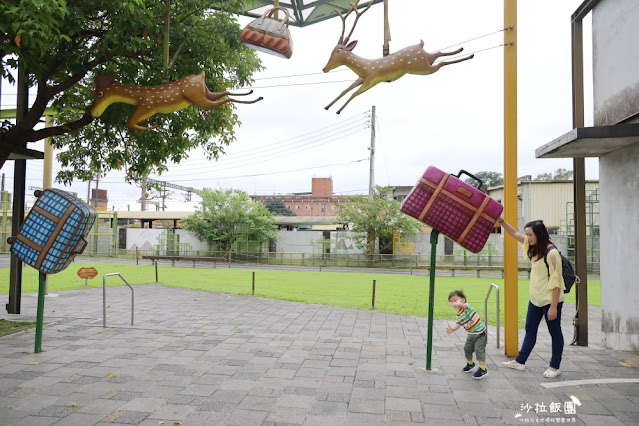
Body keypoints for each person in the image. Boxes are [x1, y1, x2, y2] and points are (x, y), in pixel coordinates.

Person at [498, 218, 565, 378]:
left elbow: (556, 282)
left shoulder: (552, 253)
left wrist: (554, 307)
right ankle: (520, 361)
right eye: (527, 235)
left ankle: (554, 367)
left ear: (539, 234)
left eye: (530, 235)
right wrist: (501, 221)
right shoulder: (533, 247)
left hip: (550, 301)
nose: (527, 238)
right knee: (530, 330)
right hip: (535, 300)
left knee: (554, 332)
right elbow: (514, 233)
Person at [446, 290, 489, 380]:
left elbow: (462, 306)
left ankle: (483, 369)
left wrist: (457, 304)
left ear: (463, 300)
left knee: (479, 350)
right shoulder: (459, 314)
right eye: (451, 302)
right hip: (471, 335)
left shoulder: (467, 307)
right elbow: (458, 324)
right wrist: (452, 329)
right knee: (467, 349)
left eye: (455, 300)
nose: (453, 304)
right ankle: (470, 364)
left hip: (480, 334)